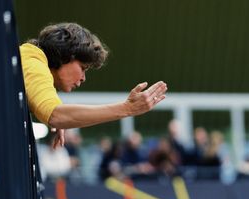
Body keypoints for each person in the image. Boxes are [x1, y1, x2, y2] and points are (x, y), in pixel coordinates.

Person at [20, 22, 167, 149]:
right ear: (66, 54)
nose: (83, 78)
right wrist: (127, 109)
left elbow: (54, 110)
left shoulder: (32, 61)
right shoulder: (33, 61)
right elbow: (56, 115)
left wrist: (61, 116)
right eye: (83, 68)